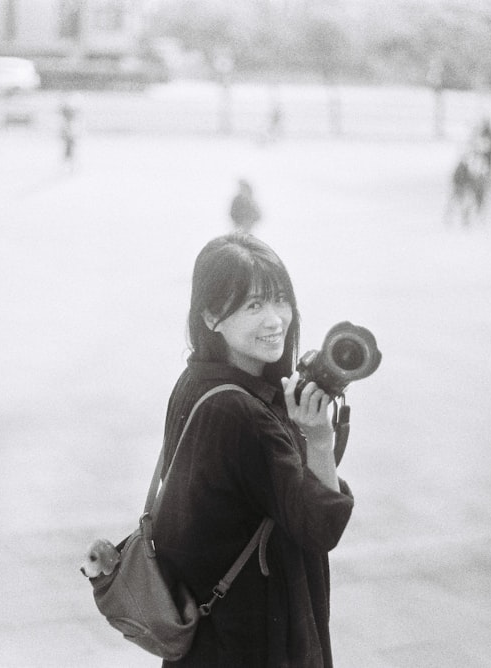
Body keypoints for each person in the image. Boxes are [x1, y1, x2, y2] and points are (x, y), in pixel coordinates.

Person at [152, 233, 355, 667]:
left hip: (205, 634)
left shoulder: (197, 383)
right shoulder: (241, 413)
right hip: (252, 641)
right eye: (253, 306)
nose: (275, 320)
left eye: (280, 300)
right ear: (210, 315)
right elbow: (319, 527)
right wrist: (318, 441)